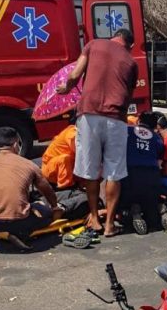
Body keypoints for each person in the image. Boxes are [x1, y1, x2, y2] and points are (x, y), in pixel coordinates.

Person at [57, 29, 138, 237]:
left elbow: (75, 75)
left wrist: (66, 87)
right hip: (116, 119)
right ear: (129, 45)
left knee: (90, 169)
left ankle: (94, 218)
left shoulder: (93, 45)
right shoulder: (131, 62)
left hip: (89, 115)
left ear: (114, 37)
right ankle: (110, 224)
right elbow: (128, 96)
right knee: (114, 173)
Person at [0, 128, 63, 250]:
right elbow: (47, 191)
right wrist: (54, 207)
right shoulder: (29, 164)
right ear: (16, 144)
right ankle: (20, 232)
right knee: (45, 211)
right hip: (22, 222)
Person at [120, 111, 164, 235]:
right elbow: (160, 156)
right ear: (155, 126)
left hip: (131, 175)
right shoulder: (156, 137)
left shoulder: (128, 131)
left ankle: (133, 209)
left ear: (139, 121)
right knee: (152, 211)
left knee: (126, 196)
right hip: (151, 176)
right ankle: (157, 211)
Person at [41, 122, 77, 189]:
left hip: (64, 168)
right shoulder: (72, 134)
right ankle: (65, 186)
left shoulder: (76, 132)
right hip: (51, 171)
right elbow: (80, 153)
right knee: (65, 158)